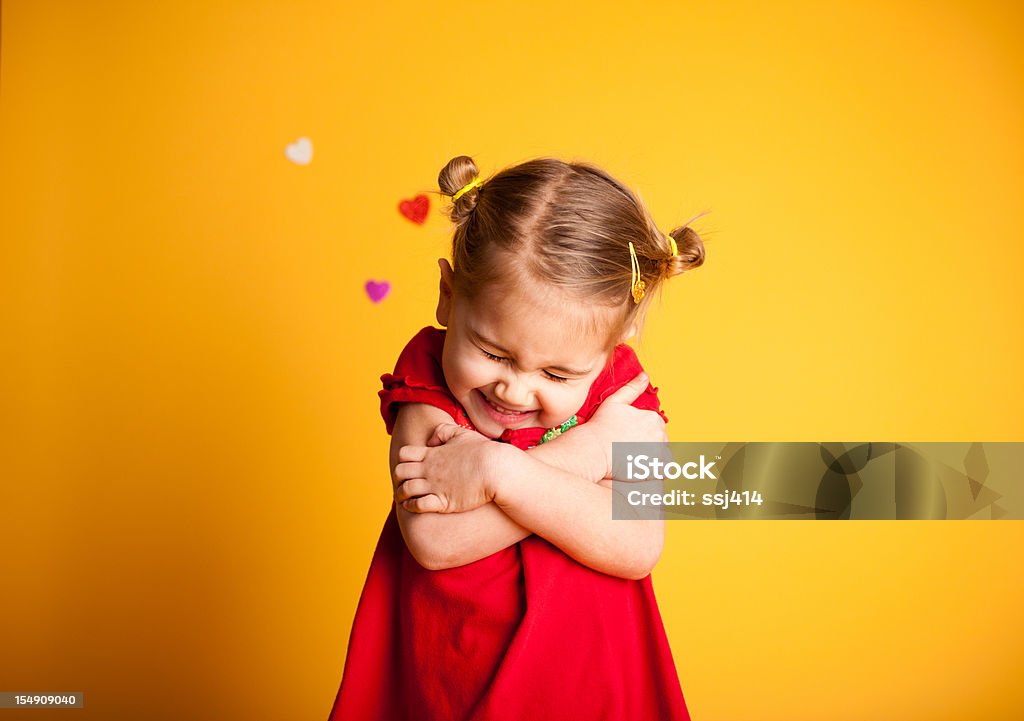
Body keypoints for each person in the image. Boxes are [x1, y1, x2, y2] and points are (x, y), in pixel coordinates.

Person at [328, 155, 706, 721]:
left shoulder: (620, 396)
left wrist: (500, 473)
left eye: (557, 375)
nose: (516, 389)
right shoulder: (430, 378)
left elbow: (637, 547)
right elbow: (434, 540)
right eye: (492, 352)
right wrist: (589, 450)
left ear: (616, 343)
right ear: (448, 297)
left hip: (590, 682)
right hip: (458, 678)